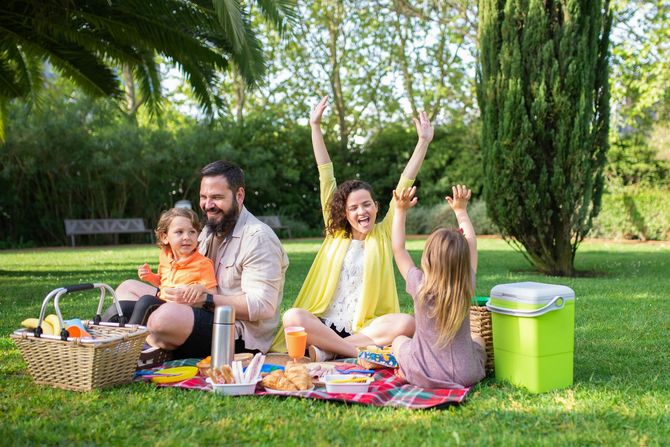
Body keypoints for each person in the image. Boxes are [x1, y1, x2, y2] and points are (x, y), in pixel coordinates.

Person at [271, 95, 433, 360]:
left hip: (365, 328)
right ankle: (353, 352)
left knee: (407, 323)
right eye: (354, 208)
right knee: (292, 317)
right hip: (324, 323)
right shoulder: (335, 232)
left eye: (366, 205)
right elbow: (325, 173)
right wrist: (315, 126)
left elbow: (405, 182)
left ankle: (326, 352)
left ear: (377, 207)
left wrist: (423, 142)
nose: (362, 211)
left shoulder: (383, 234)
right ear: (344, 214)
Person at [105, 161, 289, 360]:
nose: (208, 205)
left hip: (235, 332)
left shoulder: (258, 238)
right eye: (204, 197)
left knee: (162, 319)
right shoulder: (209, 229)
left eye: (217, 197)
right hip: (193, 308)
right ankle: (118, 341)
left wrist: (206, 300)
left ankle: (138, 347)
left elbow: (263, 306)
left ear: (239, 195)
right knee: (126, 289)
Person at [390, 185, 486, 389]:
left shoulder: (419, 284)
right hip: (465, 373)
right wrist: (461, 211)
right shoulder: (466, 282)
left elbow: (398, 250)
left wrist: (400, 211)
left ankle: (405, 371)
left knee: (398, 341)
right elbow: (471, 244)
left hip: (423, 372)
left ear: (428, 257)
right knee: (478, 339)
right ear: (463, 261)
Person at [124, 207, 218, 326]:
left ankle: (131, 341)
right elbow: (163, 282)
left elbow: (214, 293)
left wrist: (200, 288)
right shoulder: (165, 257)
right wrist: (150, 277)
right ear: (164, 237)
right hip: (164, 303)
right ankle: (99, 338)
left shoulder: (202, 263)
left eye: (192, 232)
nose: (187, 237)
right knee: (123, 307)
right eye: (179, 232)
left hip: (185, 313)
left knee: (146, 301)